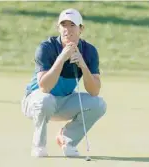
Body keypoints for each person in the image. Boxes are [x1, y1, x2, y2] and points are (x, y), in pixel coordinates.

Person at [21, 8, 107, 157]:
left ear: (81, 29)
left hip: (63, 101)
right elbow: (44, 87)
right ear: (58, 28)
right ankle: (39, 145)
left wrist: (82, 65)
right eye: (64, 25)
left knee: (98, 104)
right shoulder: (46, 48)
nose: (67, 29)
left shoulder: (89, 51)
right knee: (45, 100)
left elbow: (94, 91)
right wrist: (61, 58)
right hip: (35, 101)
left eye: (72, 25)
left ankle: (67, 140)